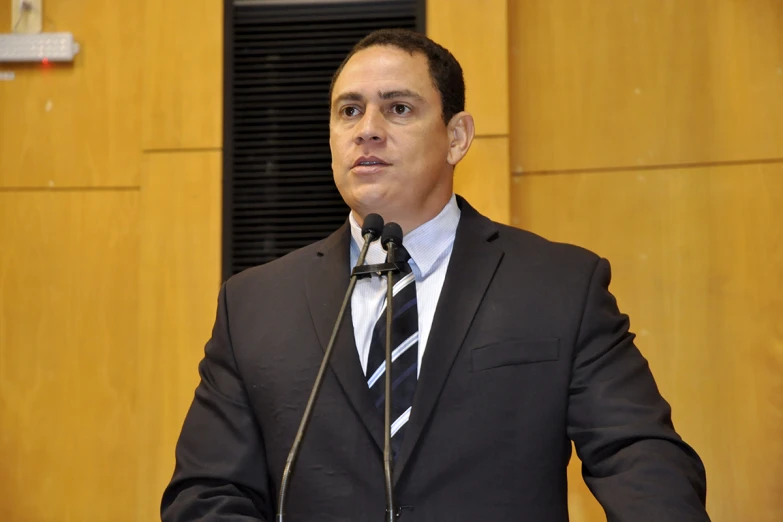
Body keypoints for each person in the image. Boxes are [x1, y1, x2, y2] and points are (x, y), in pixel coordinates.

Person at [161, 29, 710, 521]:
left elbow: (641, 460)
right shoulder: (255, 303)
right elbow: (208, 493)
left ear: (457, 137)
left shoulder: (559, 286)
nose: (367, 131)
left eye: (398, 108)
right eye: (348, 111)